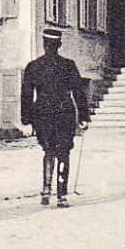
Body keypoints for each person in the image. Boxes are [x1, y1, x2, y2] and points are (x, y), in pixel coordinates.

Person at [20, 29, 88, 208]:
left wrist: (26, 120)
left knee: (48, 151)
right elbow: (78, 92)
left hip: (42, 114)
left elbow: (26, 95)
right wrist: (84, 116)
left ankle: (46, 191)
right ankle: (62, 195)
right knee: (63, 153)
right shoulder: (69, 65)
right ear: (59, 45)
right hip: (65, 113)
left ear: (44, 44)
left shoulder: (33, 66)